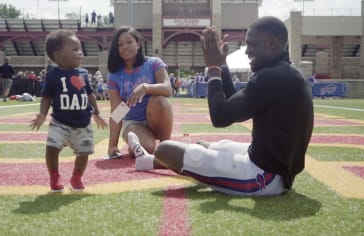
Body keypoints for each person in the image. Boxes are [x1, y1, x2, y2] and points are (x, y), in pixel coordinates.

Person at [127, 16, 314, 196]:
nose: (247, 51)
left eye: (252, 44)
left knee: (164, 149)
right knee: (203, 146)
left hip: (264, 177)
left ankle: (155, 158)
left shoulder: (270, 77)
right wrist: (223, 65)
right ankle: (147, 162)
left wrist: (214, 69)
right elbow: (236, 106)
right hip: (277, 170)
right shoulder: (287, 74)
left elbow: (220, 117)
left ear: (271, 44)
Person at [29, 29, 109, 192]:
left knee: (84, 152)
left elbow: (90, 95)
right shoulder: (52, 75)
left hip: (83, 123)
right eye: (75, 50)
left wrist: (97, 114)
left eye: (80, 49)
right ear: (59, 55)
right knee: (52, 148)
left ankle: (77, 177)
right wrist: (43, 114)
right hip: (60, 122)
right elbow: (46, 97)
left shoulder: (84, 74)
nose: (80, 53)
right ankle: (54, 175)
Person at [106, 25, 173, 168]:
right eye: (120, 44)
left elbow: (168, 89)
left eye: (129, 42)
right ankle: (137, 144)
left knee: (159, 99)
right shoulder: (115, 75)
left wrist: (145, 88)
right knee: (147, 148)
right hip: (133, 122)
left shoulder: (154, 63)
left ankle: (166, 146)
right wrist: (112, 145)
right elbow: (118, 111)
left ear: (138, 44)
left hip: (155, 118)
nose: (125, 47)